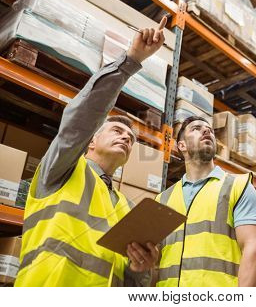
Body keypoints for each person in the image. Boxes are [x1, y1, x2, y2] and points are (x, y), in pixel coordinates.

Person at [15, 17, 168, 287]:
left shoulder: (126, 208)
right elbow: (82, 117)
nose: (126, 138)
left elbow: (127, 281)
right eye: (117, 131)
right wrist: (131, 61)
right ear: (90, 142)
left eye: (131, 138)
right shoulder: (61, 170)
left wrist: (139, 268)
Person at [155, 116, 256, 287]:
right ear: (181, 145)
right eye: (196, 128)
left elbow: (253, 248)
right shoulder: (163, 199)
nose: (207, 131)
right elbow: (154, 260)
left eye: (210, 130)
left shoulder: (238, 186)